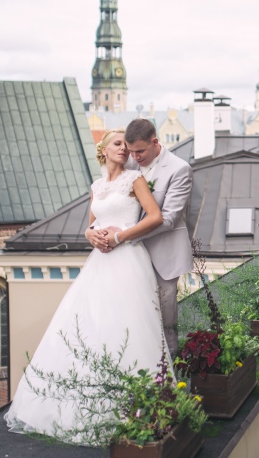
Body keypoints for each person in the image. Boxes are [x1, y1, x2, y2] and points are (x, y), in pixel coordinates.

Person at [5, 129, 168, 443]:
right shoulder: (97, 186)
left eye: (127, 145)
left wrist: (119, 236)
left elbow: (155, 217)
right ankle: (86, 404)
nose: (124, 149)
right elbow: (91, 224)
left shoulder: (134, 180)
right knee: (91, 325)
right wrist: (89, 234)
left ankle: (132, 409)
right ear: (103, 149)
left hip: (127, 260)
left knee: (127, 327)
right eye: (118, 143)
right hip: (100, 263)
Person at [87, 118, 193, 353]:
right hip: (127, 259)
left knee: (165, 321)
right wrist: (90, 232)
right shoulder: (129, 163)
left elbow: (168, 219)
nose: (133, 157)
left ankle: (170, 369)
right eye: (130, 150)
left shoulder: (179, 169)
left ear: (154, 142)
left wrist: (122, 237)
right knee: (128, 318)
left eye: (140, 151)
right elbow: (108, 204)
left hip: (163, 254)